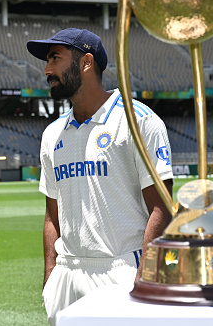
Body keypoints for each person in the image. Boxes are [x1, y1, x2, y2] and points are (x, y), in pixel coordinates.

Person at [26, 28, 173, 325]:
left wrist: (144, 278)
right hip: (66, 275)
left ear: (86, 63)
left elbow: (162, 207)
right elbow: (52, 215)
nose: (46, 69)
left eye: (55, 58)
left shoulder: (138, 121)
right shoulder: (52, 133)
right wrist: (51, 276)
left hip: (121, 270)